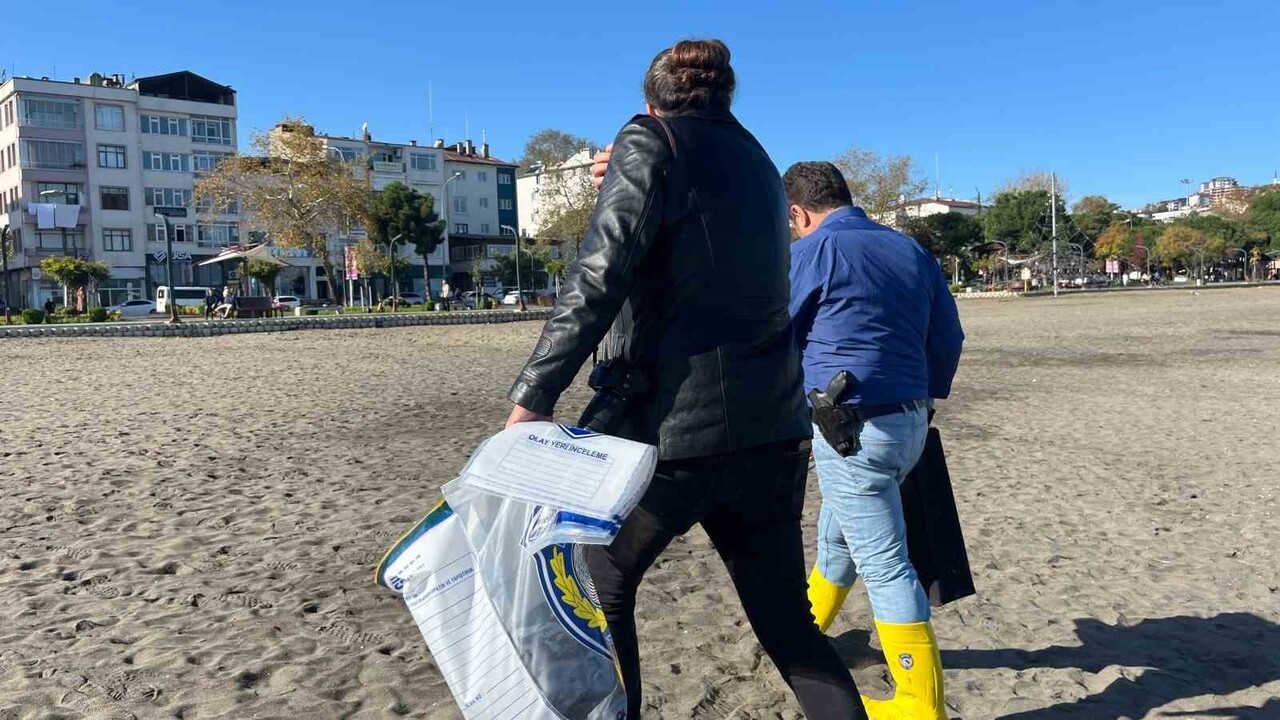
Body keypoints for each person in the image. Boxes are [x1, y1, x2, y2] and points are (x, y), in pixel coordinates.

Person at [504, 39, 865, 719]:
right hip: (769, 430)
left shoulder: (649, 140)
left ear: (650, 102)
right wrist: (633, 170)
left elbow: (598, 274)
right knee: (789, 627)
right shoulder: (758, 161)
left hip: (672, 437)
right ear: (725, 98)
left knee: (600, 592)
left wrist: (534, 395)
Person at [786, 161, 964, 720]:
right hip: (910, 420)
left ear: (799, 212)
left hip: (850, 430)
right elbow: (949, 336)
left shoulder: (812, 252)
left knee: (886, 565)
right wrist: (925, 393)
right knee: (839, 540)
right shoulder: (910, 250)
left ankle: (918, 705)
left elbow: (776, 335)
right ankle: (801, 638)